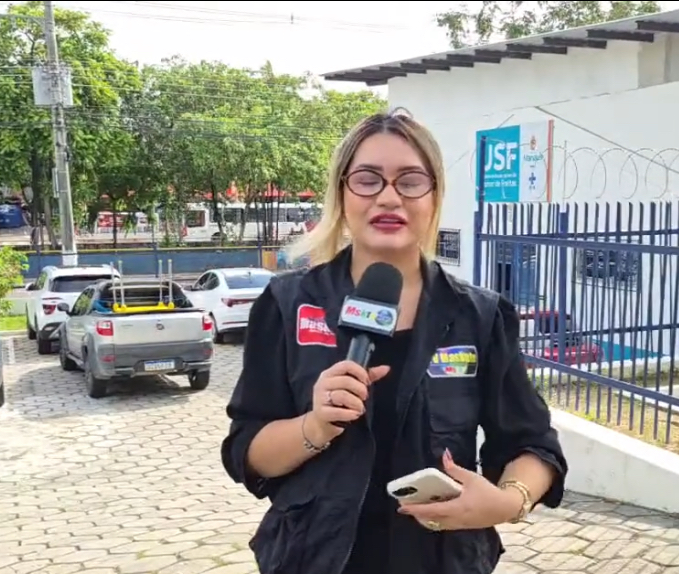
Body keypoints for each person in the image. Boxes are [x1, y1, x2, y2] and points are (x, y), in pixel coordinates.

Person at [220, 109, 568, 574]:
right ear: (342, 193)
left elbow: (535, 445)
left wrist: (506, 503)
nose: (388, 197)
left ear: (434, 196)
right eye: (367, 180)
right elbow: (247, 452)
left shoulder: (480, 316)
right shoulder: (288, 304)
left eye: (410, 181)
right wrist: (315, 426)